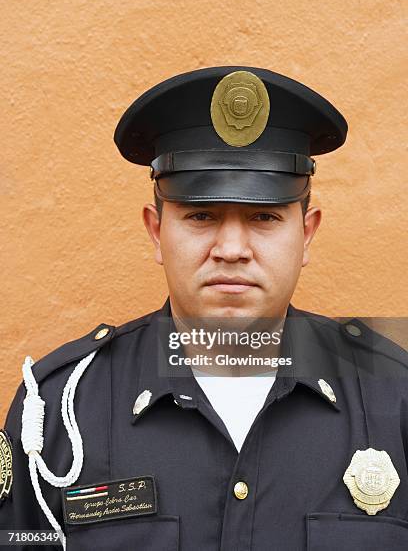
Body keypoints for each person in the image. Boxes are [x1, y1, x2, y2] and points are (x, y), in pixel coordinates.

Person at [1, 66, 407, 551]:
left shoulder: (393, 399)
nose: (231, 248)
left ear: (307, 233)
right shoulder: (58, 412)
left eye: (263, 216)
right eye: (200, 215)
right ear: (156, 231)